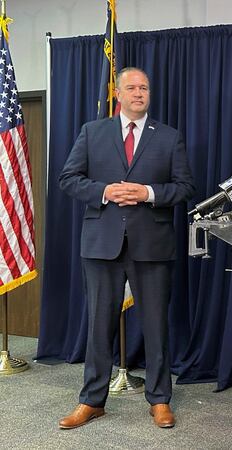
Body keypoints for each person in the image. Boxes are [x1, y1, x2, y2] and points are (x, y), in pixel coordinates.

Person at [58, 67, 195, 429]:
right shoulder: (92, 132)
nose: (139, 93)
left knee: (156, 326)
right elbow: (68, 178)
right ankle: (92, 401)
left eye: (144, 87)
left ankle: (160, 400)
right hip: (102, 245)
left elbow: (184, 188)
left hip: (152, 245)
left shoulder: (168, 137)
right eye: (131, 87)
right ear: (118, 94)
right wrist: (105, 191)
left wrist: (148, 193)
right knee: (98, 325)